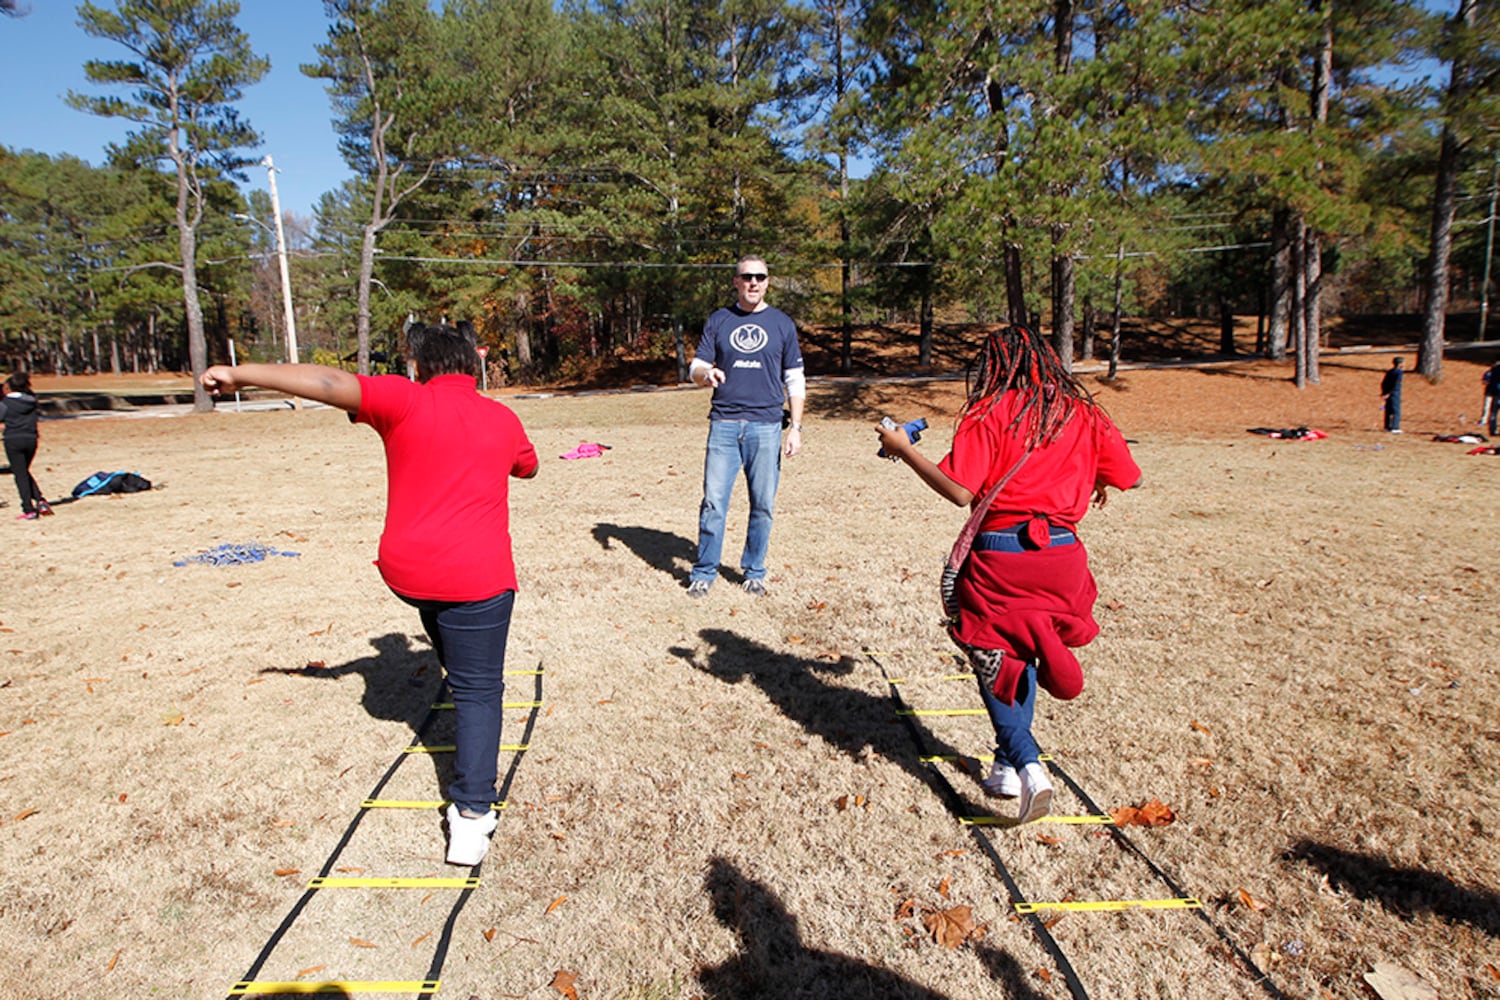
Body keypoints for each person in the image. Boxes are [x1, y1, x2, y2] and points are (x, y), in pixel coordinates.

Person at [200, 322, 538, 866]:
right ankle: (472, 816)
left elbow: (327, 382)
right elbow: (529, 466)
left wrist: (239, 373)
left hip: (409, 574)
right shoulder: (500, 416)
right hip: (477, 578)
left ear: (417, 367)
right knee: (479, 690)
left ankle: (456, 665)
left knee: (447, 626)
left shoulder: (403, 401)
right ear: (472, 366)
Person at [876, 325, 1141, 824]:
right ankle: (1002, 767)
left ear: (995, 365)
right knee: (1021, 654)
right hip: (1063, 557)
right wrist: (1098, 476)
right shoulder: (1082, 412)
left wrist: (902, 448)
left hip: (1003, 556)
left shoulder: (990, 410)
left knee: (993, 655)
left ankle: (1028, 765)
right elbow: (1133, 475)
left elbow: (959, 491)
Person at [687, 255, 805, 598]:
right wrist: (705, 374)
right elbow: (695, 367)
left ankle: (754, 571)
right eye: (747, 277)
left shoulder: (782, 324)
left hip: (766, 426)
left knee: (763, 504)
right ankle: (704, 571)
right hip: (724, 424)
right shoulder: (719, 320)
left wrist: (795, 427)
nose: (754, 282)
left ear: (768, 281)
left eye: (760, 277)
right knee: (713, 503)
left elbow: (795, 379)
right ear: (736, 282)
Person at [2, 371, 53, 520]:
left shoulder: (5, 404)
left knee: (20, 474)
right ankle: (41, 501)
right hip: (31, 439)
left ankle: (28, 507)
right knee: (23, 471)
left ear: (8, 388)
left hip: (13, 440)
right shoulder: (31, 401)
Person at [1381, 356, 1404, 433]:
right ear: (1400, 364)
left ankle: (1387, 426)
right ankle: (1395, 427)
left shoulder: (1390, 372)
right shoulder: (1399, 373)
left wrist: (1384, 393)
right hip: (1395, 393)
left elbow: (1384, 383)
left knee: (1388, 410)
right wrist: (1389, 393)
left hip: (1388, 393)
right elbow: (1395, 384)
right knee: (1396, 410)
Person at [1482, 361, 1500, 436]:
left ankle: (1492, 429)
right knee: (1493, 412)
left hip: (1495, 393)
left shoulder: (1494, 369)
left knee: (1493, 412)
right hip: (1497, 392)